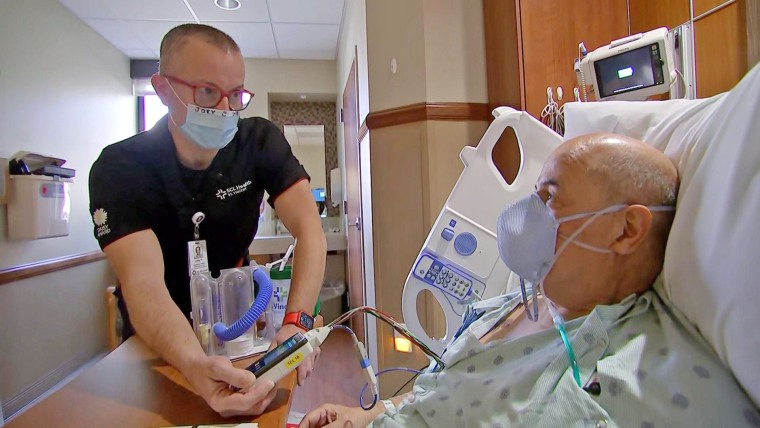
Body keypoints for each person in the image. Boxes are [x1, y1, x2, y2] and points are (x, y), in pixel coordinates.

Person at [299, 133, 759, 427]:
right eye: (532, 194)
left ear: (626, 229)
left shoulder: (650, 376)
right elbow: (438, 396)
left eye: (550, 198)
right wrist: (372, 414)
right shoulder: (512, 304)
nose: (524, 216)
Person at [88, 23, 326, 416]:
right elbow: (143, 284)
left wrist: (296, 325)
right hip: (158, 336)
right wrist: (195, 365)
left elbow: (309, 229)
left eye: (235, 95)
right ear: (164, 90)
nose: (223, 110)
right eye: (208, 93)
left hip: (239, 325)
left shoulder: (258, 143)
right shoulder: (120, 168)